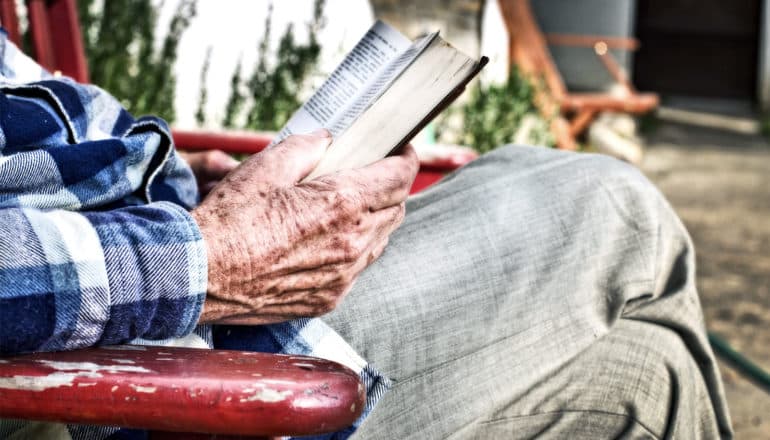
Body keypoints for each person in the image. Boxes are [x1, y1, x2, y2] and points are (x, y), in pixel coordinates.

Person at [0, 33, 732, 439]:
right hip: (120, 380)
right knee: (610, 204)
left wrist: (170, 172)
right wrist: (211, 256)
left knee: (646, 376)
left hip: (142, 276)